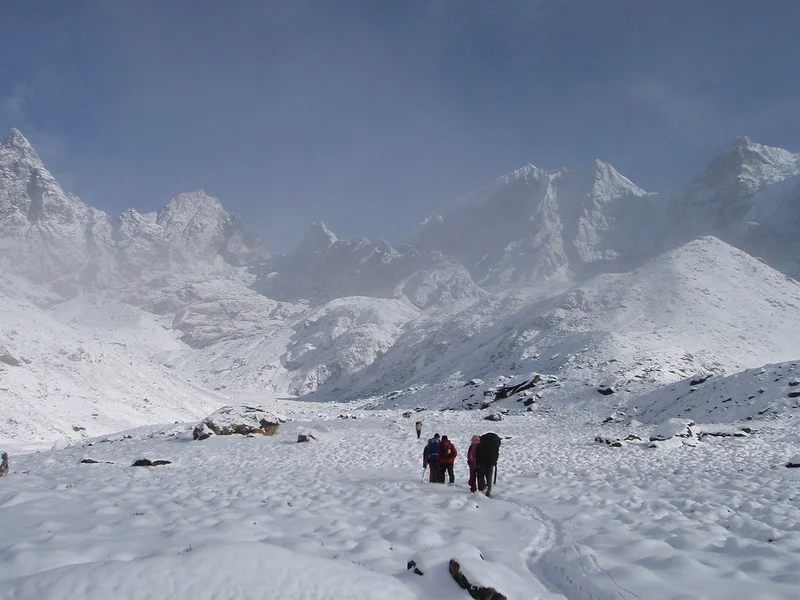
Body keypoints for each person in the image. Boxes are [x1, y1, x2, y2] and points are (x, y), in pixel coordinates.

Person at [476, 432, 501, 497]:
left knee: (480, 476)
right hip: (491, 463)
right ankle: (488, 492)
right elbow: (497, 454)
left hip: (482, 463)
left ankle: (483, 487)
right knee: (489, 478)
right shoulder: (494, 444)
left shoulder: (482, 443)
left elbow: (477, 453)